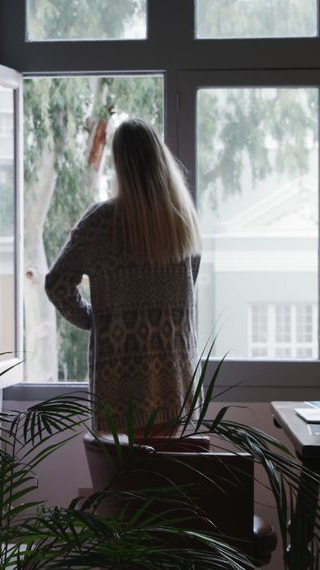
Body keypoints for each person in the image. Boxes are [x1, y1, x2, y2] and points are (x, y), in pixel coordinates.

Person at [45, 118, 201, 435]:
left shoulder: (101, 223)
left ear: (119, 164)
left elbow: (57, 284)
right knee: (170, 479)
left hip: (119, 389)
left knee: (122, 481)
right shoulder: (181, 221)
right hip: (174, 383)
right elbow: (191, 276)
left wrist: (93, 318)